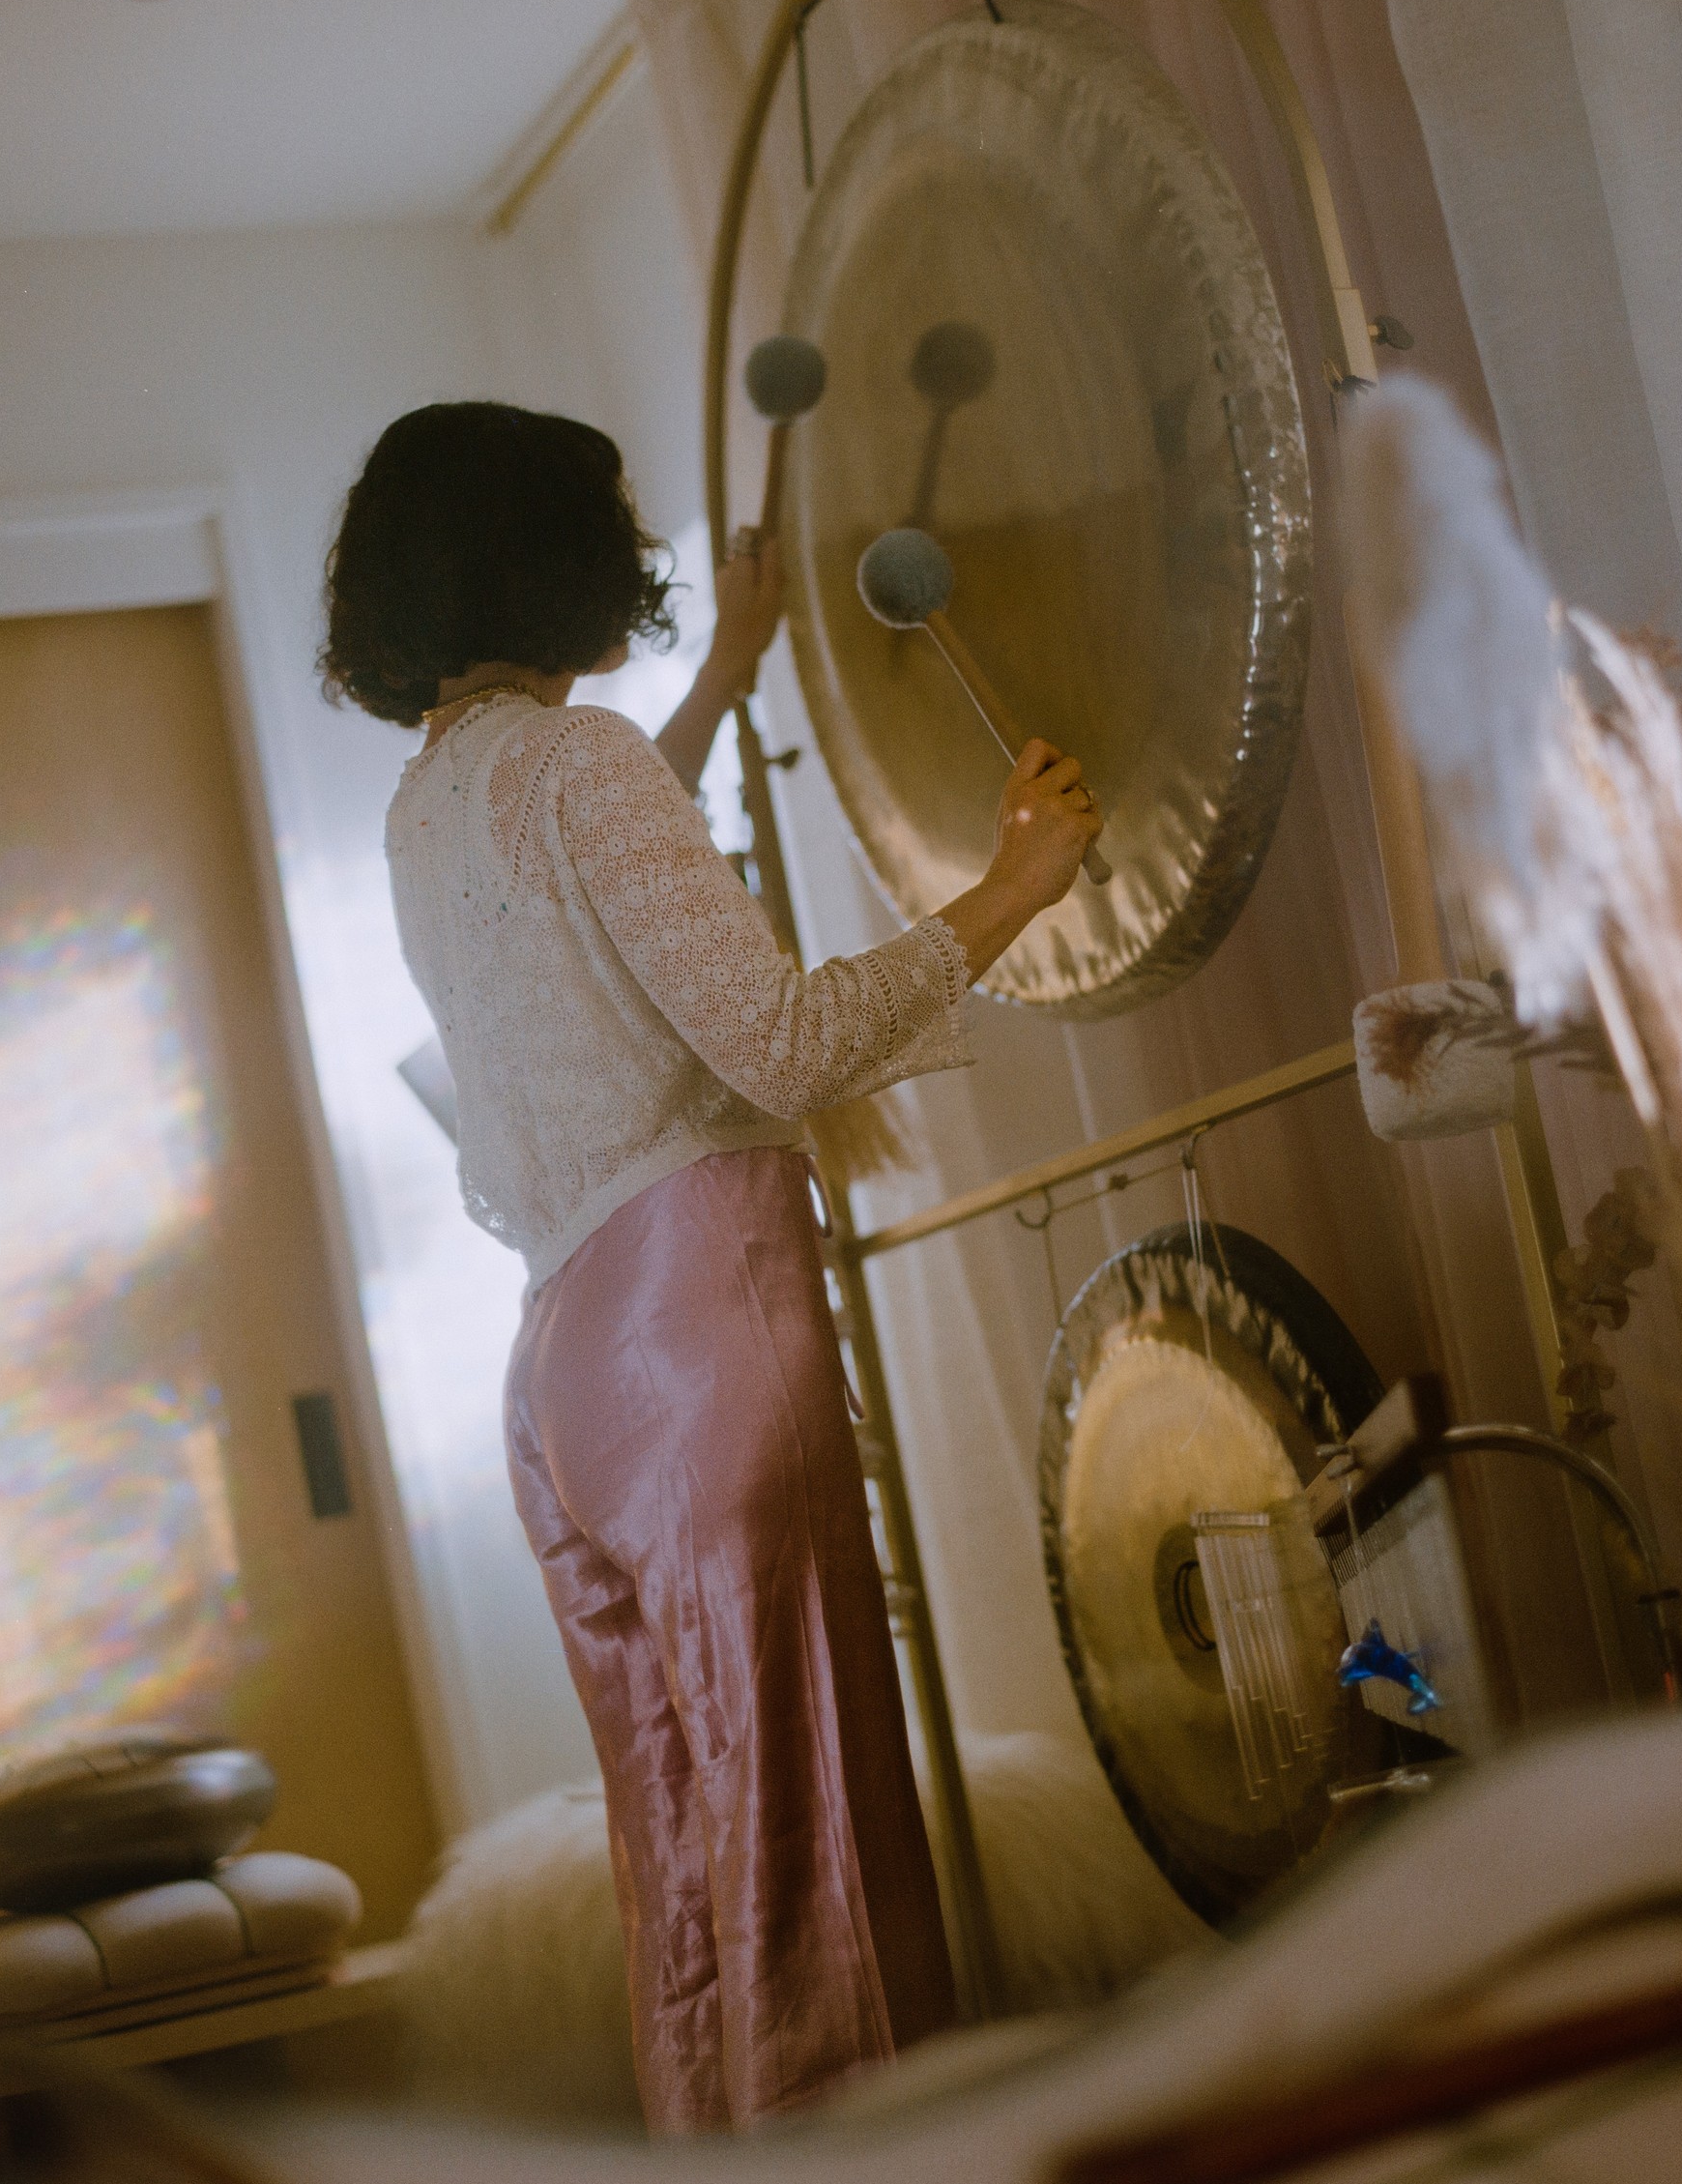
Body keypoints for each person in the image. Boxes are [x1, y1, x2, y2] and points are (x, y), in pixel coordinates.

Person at [320, 402, 1101, 2134]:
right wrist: (1012, 890)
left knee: (689, 1867)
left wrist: (729, 668)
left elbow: (606, 860)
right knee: (813, 1844)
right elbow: (786, 1044)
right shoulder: (573, 768)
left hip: (564, 1382)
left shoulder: (439, 803)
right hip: (695, 1335)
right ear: (548, 553)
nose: (646, 559)